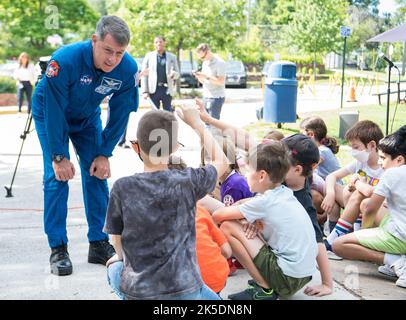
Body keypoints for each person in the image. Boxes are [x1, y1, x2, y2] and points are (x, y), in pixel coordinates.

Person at [31, 16, 139, 276]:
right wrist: (59, 155)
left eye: (119, 53)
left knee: (97, 172)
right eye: (108, 50)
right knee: (57, 177)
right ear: (94, 40)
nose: (113, 59)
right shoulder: (65, 60)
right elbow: (55, 108)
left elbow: (121, 111)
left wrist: (104, 152)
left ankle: (98, 242)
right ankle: (58, 248)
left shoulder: (127, 69)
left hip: (86, 116)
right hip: (50, 112)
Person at [104, 106, 229, 300]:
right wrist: (197, 124)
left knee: (115, 267)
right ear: (174, 149)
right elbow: (221, 160)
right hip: (188, 290)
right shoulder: (188, 181)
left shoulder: (121, 188)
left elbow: (116, 241)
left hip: (141, 293)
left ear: (136, 147)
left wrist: (119, 257)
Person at [212, 141, 318, 300]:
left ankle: (264, 289)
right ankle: (266, 284)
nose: (244, 175)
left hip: (287, 279)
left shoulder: (264, 202)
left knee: (227, 226)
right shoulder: (283, 193)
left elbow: (218, 216)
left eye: (247, 171)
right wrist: (244, 216)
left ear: (261, 176)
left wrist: (240, 217)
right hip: (301, 275)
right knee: (241, 225)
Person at [333, 125, 406, 289]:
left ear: (399, 159)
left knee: (339, 245)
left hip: (401, 237)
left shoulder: (392, 174)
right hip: (399, 226)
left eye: (383, 158)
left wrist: (363, 235)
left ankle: (396, 262)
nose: (380, 163)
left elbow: (370, 208)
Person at [322, 120, 384, 259]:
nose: (353, 152)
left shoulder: (385, 166)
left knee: (357, 193)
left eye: (356, 147)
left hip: (374, 211)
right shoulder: (360, 162)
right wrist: (330, 194)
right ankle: (339, 232)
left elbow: (371, 193)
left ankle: (338, 238)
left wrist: (356, 182)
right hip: (360, 207)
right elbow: (332, 176)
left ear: (372, 145)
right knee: (337, 188)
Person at [282, 134, 333, 297]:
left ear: (298, 170)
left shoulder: (302, 200)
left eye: (280, 163)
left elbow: (317, 239)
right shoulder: (289, 176)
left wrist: (326, 283)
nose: (274, 165)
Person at [300, 116, 341, 231]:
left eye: (301, 135)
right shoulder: (321, 149)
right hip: (325, 186)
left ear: (310, 135)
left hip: (333, 187)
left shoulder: (321, 151)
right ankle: (327, 225)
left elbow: (308, 167)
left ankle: (326, 225)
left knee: (311, 193)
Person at [141, 36, 179, 111]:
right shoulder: (149, 56)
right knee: (154, 114)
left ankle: (168, 123)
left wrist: (173, 74)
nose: (158, 44)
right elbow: (144, 75)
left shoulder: (172, 57)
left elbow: (177, 74)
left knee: (168, 114)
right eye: (156, 42)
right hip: (153, 90)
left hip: (167, 90)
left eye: (160, 42)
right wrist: (145, 91)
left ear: (164, 43)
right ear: (154, 44)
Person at [194, 43, 226, 120]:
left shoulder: (220, 63)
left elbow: (221, 82)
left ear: (208, 52)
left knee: (213, 123)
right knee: (205, 121)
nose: (202, 59)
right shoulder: (205, 63)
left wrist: (206, 77)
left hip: (216, 97)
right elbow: (204, 81)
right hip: (206, 95)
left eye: (203, 57)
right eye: (200, 58)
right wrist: (199, 77)